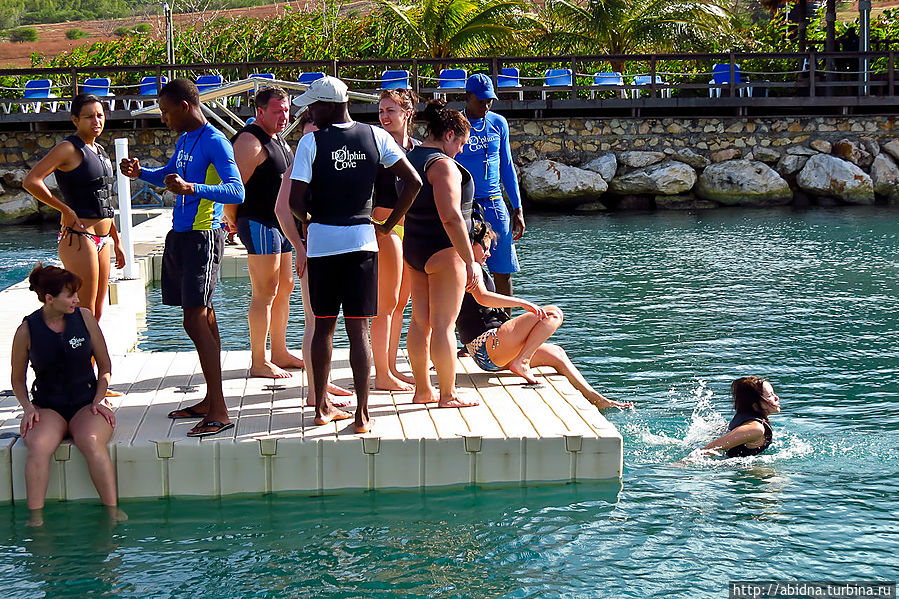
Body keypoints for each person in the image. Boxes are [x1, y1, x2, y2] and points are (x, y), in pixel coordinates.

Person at [274, 76, 422, 434]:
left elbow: (295, 200)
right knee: (360, 331)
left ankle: (322, 408)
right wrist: (386, 227)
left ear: (327, 106)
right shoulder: (376, 136)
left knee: (323, 327)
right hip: (363, 242)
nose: (308, 111)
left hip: (324, 244)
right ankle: (362, 416)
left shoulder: (312, 141)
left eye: (312, 105)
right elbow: (414, 182)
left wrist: (309, 222)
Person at [119, 78, 245, 437]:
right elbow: (168, 175)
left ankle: (219, 410)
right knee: (202, 318)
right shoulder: (186, 139)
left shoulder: (215, 141)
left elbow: (237, 189)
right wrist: (141, 172)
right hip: (181, 235)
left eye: (166, 110)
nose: (163, 117)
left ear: (186, 106)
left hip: (204, 236)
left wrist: (193, 188)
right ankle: (210, 401)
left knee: (195, 320)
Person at [459, 218, 632, 410]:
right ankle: (522, 361)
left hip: (491, 354)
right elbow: (483, 298)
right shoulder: (470, 267)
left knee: (557, 353)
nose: (489, 254)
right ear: (472, 244)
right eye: (485, 248)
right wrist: (523, 303)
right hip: (488, 343)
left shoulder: (473, 268)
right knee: (552, 313)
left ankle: (596, 398)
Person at [10, 264, 124, 526]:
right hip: (48, 407)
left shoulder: (84, 318)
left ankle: (112, 512)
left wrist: (99, 399)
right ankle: (35, 519)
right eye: (70, 295)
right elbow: (17, 379)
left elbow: (105, 366)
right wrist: (28, 408)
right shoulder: (27, 330)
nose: (77, 300)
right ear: (49, 299)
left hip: (86, 404)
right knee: (38, 447)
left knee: (92, 441)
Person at [404, 99, 480, 408]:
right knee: (444, 324)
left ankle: (422, 389)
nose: (461, 150)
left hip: (414, 248)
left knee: (420, 322)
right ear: (449, 135)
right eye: (461, 143)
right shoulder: (442, 165)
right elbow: (451, 216)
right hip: (443, 250)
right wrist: (470, 260)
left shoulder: (410, 157)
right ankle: (447, 394)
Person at [23, 93, 126, 322]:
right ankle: (78, 357)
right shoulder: (69, 148)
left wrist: (117, 241)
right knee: (83, 310)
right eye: (89, 117)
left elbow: (106, 199)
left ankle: (87, 358)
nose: (96, 121)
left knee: (97, 312)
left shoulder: (99, 150)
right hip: (79, 237)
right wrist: (64, 209)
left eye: (100, 115)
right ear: (75, 120)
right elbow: (31, 181)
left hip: (103, 240)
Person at [224, 86, 303, 379]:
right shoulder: (249, 141)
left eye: (286, 110)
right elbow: (233, 188)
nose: (284, 115)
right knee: (264, 292)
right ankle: (258, 361)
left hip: (279, 223)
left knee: (285, 287)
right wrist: (231, 220)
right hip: (257, 221)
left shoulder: (277, 139)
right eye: (277, 111)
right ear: (260, 111)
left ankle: (279, 352)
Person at [283, 109, 353, 408]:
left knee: (327, 324)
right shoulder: (300, 163)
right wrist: (299, 247)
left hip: (333, 250)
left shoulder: (325, 159)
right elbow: (281, 209)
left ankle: (320, 384)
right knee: (315, 322)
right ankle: (315, 392)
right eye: (313, 131)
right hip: (313, 252)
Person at [455, 73, 525, 299]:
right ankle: (469, 325)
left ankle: (506, 325)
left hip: (494, 204)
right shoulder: (455, 123)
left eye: (490, 100)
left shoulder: (498, 123)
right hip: (464, 205)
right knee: (464, 268)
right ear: (467, 97)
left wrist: (517, 208)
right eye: (481, 100)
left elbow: (507, 166)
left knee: (502, 270)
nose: (486, 105)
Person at [372, 88, 420, 391]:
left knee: (402, 303)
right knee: (385, 304)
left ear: (407, 113)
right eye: (382, 110)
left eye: (391, 110)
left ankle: (390, 366)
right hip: (383, 226)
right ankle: (381, 373)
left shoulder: (416, 149)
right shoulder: (376, 146)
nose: (384, 116)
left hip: (410, 228)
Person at [697, 376, 781, 458]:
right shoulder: (755, 429)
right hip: (738, 467)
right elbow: (709, 449)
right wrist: (686, 462)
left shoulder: (744, 417)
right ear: (755, 405)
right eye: (770, 396)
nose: (777, 397)